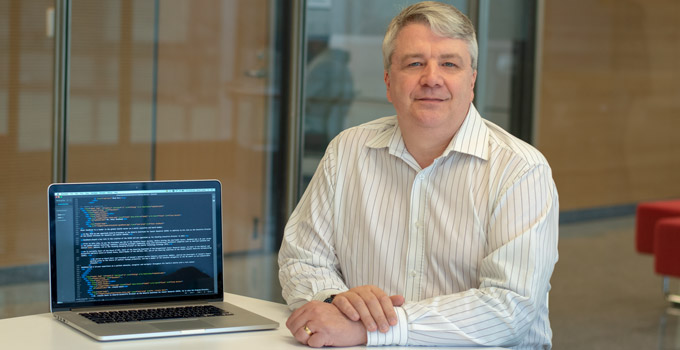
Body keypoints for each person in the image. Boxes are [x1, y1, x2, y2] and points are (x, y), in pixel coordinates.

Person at [278, 1, 559, 349]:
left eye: (449, 64)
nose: (431, 79)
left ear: (471, 81)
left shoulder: (520, 170)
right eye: (414, 64)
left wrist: (374, 330)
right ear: (388, 80)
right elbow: (302, 258)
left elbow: (509, 308)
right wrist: (336, 301)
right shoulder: (346, 151)